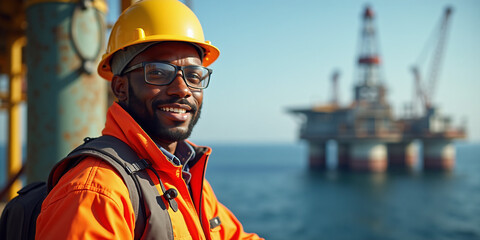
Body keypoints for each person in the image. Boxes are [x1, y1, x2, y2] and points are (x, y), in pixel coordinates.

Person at [35, 0, 264, 239]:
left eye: (194, 76)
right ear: (120, 88)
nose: (182, 89)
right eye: (157, 72)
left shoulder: (185, 176)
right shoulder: (97, 193)